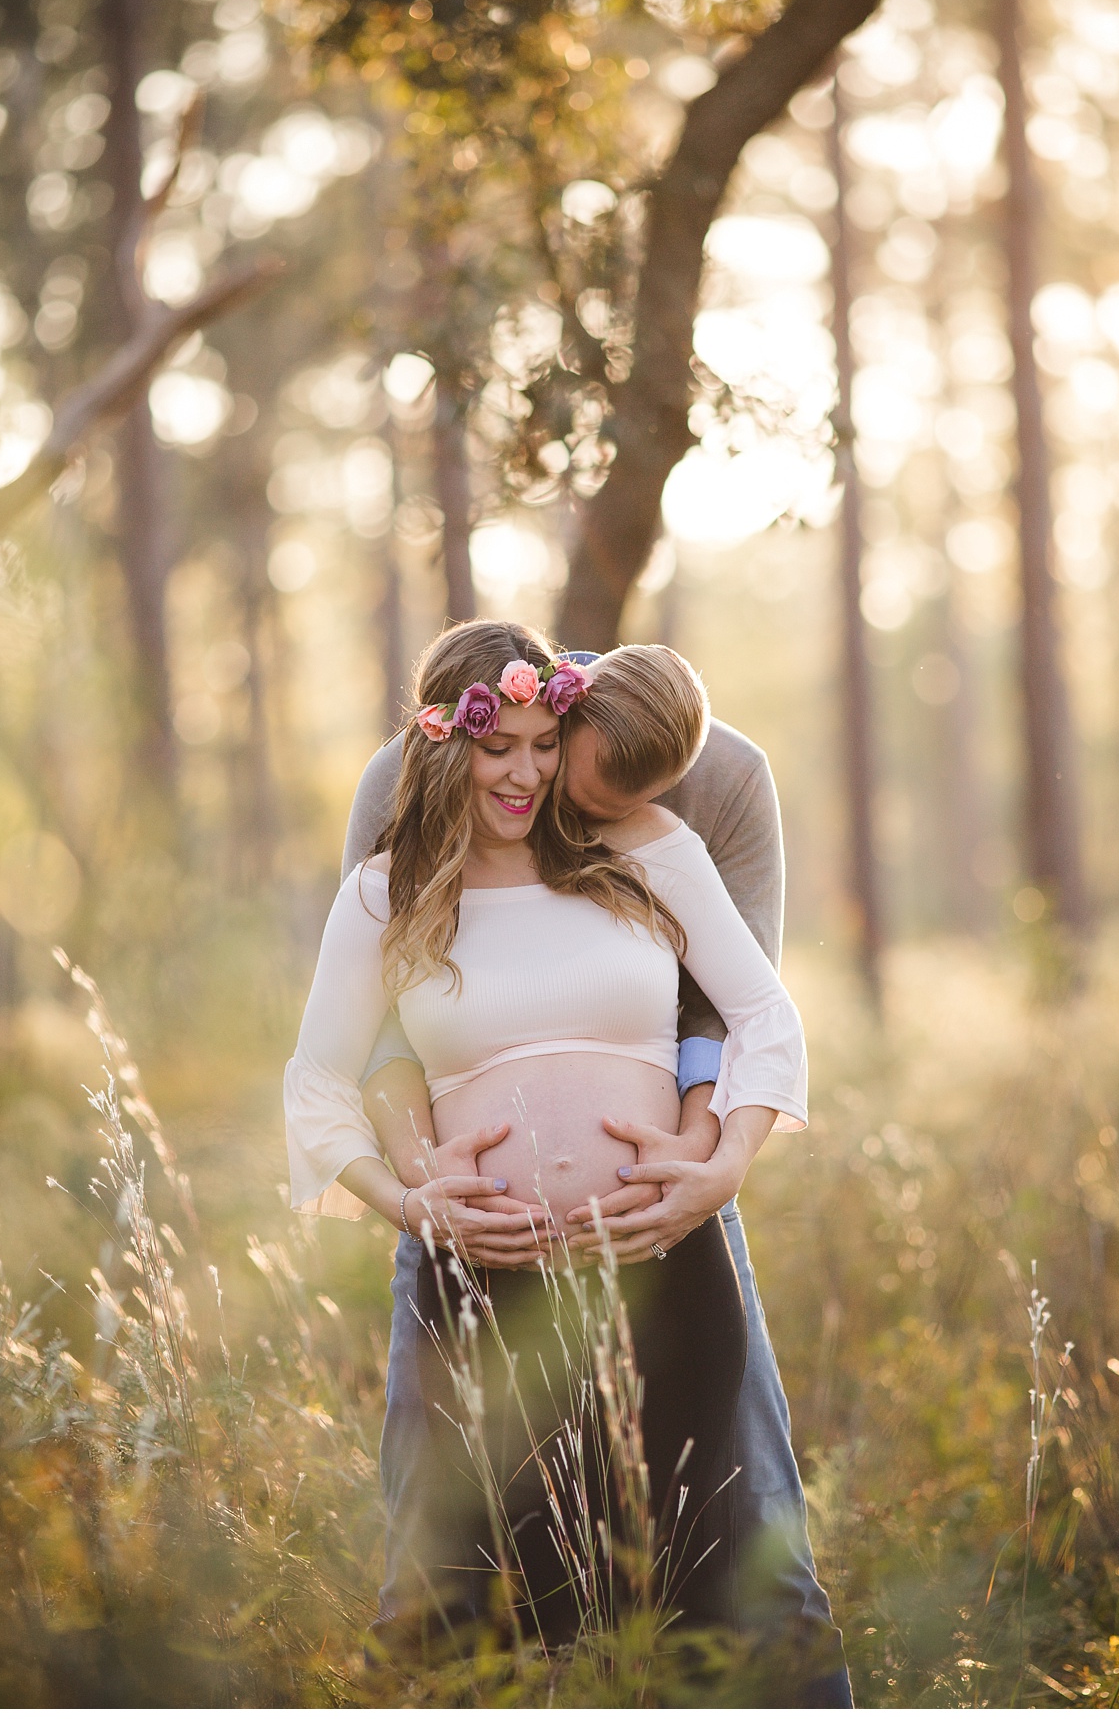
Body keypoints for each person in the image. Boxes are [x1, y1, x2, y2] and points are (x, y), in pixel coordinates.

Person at [342, 638, 853, 1702]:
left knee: (749, 1541)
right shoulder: (415, 769)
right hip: (467, 1233)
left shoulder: (724, 781)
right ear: (552, 718)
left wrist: (713, 1164)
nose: (585, 820)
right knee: (438, 1565)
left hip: (667, 1212)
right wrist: (417, 1180)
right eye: (578, 794)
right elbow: (372, 1016)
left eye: (634, 805)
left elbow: (731, 1002)